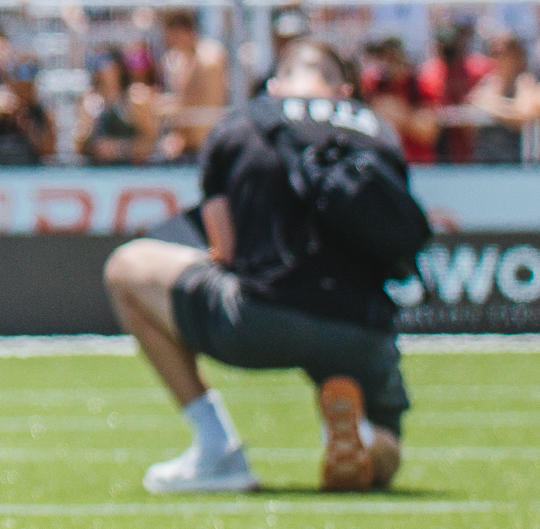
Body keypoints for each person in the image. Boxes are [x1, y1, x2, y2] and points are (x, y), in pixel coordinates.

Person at [103, 40, 418, 495]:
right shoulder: (379, 132)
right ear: (345, 89)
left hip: (261, 317)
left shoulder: (244, 123)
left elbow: (224, 250)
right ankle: (367, 442)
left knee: (126, 269)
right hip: (361, 326)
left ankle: (218, 451)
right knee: (389, 440)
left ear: (276, 84)